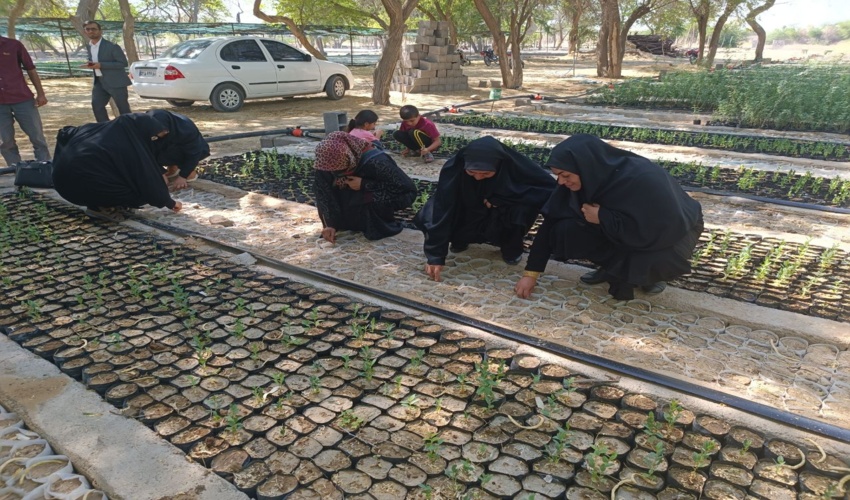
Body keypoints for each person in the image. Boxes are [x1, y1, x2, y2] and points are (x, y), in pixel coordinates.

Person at [514, 134, 704, 301]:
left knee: (654, 261)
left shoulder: (642, 177)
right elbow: (549, 224)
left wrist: (603, 217)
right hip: (628, 230)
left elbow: (658, 228)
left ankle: (651, 276)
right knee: (566, 229)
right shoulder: (579, 182)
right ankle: (611, 268)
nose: (561, 182)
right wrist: (530, 274)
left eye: (565, 175)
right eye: (557, 175)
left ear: (586, 166)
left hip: (673, 232)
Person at [415, 136, 556, 282]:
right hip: (468, 211)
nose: (477, 178)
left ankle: (510, 249)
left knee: (521, 210)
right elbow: (442, 209)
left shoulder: (514, 166)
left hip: (500, 213)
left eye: (486, 174)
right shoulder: (455, 169)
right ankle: (459, 240)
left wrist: (503, 199)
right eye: (471, 172)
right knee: (431, 210)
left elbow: (547, 190)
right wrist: (435, 255)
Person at [52, 111, 209, 220]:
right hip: (79, 190)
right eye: (153, 136)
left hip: (61, 184)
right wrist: (170, 203)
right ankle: (101, 207)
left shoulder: (101, 130)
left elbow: (65, 133)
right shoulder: (128, 148)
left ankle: (102, 201)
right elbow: (149, 184)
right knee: (139, 194)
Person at [314, 131, 417, 243]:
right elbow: (323, 193)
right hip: (352, 198)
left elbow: (406, 189)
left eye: (342, 170)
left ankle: (378, 223)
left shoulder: (376, 161)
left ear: (350, 158)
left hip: (376, 195)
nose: (339, 174)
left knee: (369, 198)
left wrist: (364, 184)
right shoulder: (325, 162)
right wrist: (329, 224)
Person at [0, 35, 51, 166]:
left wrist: (41, 94)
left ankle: (44, 167)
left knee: (37, 136)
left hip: (22, 98)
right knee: (5, 140)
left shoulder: (14, 45)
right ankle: (16, 170)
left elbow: (31, 69)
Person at [81, 21, 132, 122]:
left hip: (116, 82)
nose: (91, 31)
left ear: (100, 31)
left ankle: (129, 130)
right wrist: (90, 65)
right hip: (99, 82)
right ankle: (105, 129)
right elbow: (96, 61)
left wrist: (101, 65)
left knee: (123, 109)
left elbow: (122, 63)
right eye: (88, 29)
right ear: (85, 32)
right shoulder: (89, 46)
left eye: (94, 29)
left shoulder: (112, 46)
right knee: (97, 107)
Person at [147, 109, 210, 190]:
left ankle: (189, 171)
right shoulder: (146, 127)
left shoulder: (186, 129)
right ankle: (172, 168)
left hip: (191, 150)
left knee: (189, 175)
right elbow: (144, 151)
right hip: (168, 148)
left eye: (165, 130)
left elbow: (193, 154)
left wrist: (183, 176)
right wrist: (160, 173)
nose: (164, 133)